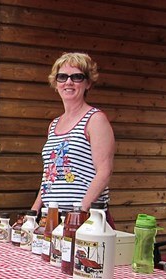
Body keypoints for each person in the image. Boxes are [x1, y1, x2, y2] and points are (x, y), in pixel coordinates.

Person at [30, 52, 115, 223]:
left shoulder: (95, 119)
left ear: (88, 83)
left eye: (76, 77)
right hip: (52, 218)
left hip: (85, 219)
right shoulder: (54, 124)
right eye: (62, 77)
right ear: (56, 83)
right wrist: (33, 211)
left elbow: (104, 172)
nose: (68, 82)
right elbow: (49, 175)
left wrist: (80, 211)